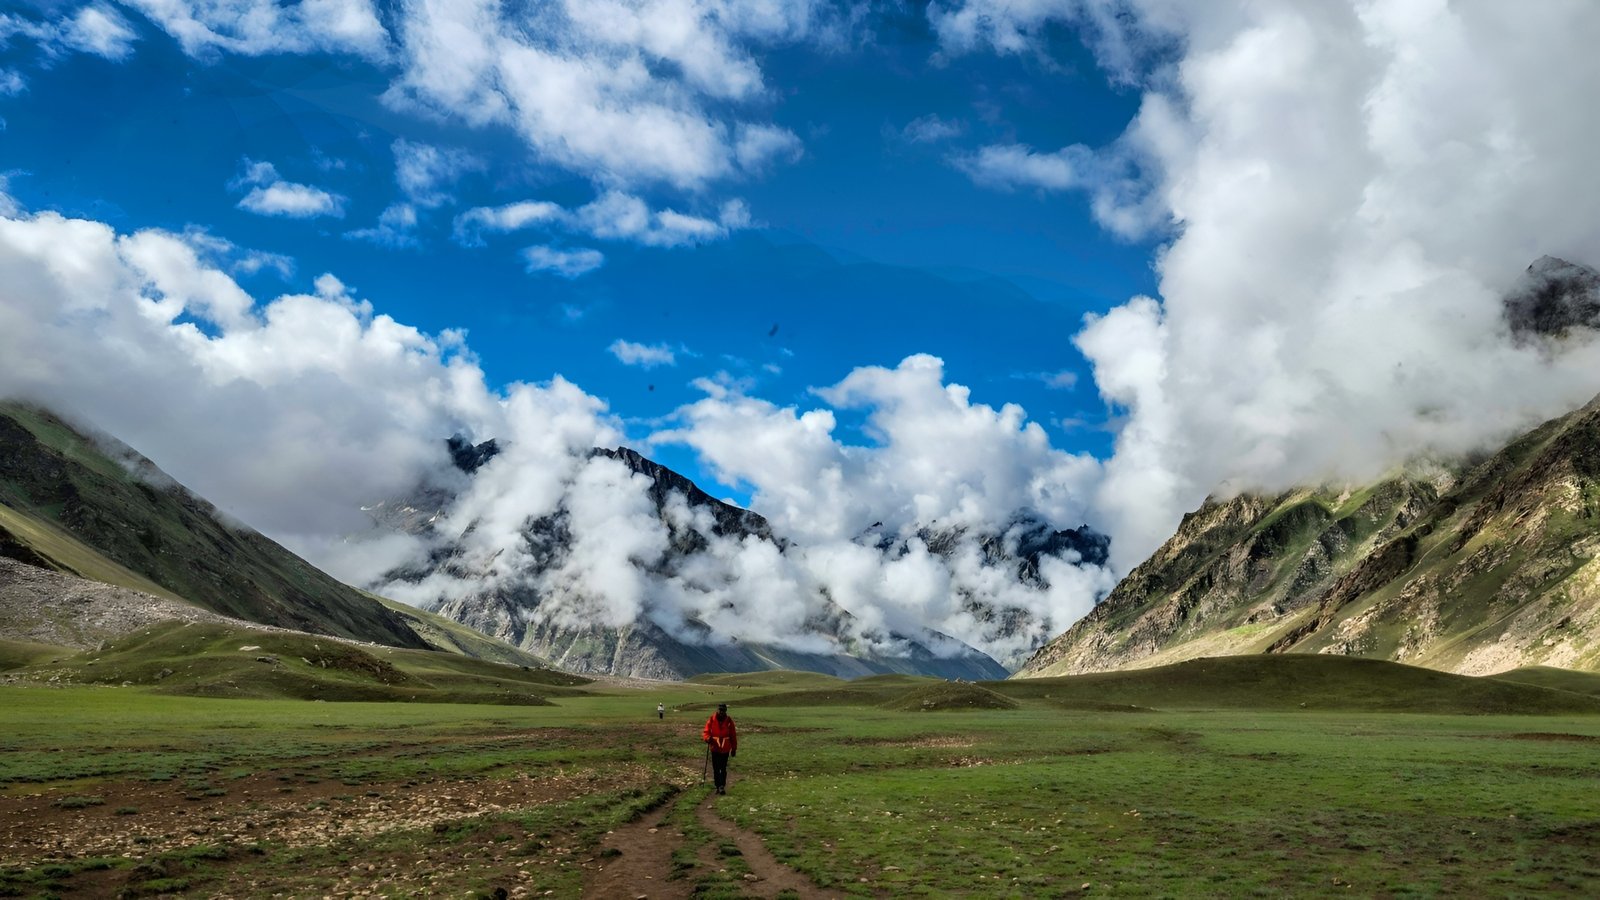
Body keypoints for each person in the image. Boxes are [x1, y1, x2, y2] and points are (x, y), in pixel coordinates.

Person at [701, 702, 737, 794]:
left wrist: (734, 749)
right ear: (718, 710)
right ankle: (718, 785)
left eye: (723, 710)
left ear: (725, 711)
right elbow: (706, 731)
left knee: (723, 768)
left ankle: (721, 786)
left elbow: (733, 735)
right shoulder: (712, 719)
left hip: (725, 748)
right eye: (720, 710)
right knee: (716, 768)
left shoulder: (729, 721)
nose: (721, 712)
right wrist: (707, 738)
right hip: (715, 747)